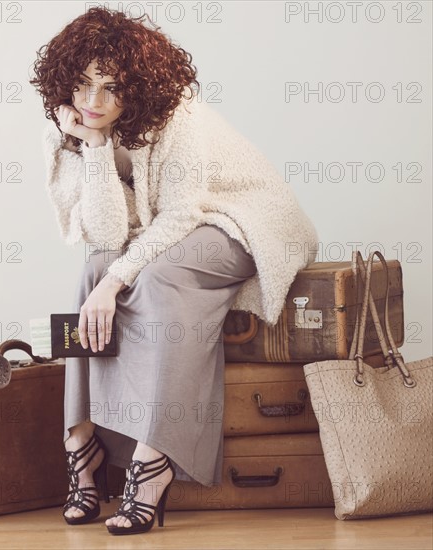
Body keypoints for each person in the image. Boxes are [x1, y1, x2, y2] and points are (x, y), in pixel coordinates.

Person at [30, 6, 319, 537]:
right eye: (82, 84)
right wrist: (94, 149)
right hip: (164, 232)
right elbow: (108, 236)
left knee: (154, 279)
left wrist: (121, 279)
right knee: (92, 269)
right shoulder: (71, 130)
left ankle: (153, 458)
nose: (93, 101)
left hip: (239, 221)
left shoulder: (176, 114)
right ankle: (82, 441)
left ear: (136, 87)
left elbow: (184, 214)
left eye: (111, 87)